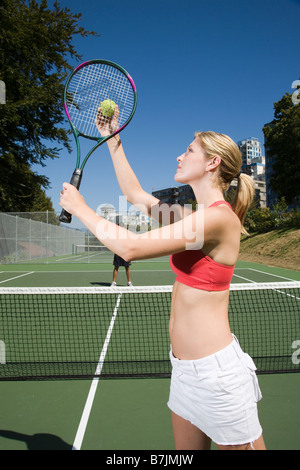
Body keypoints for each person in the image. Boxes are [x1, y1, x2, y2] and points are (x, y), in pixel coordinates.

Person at [60, 106, 266, 450]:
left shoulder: (218, 220)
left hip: (218, 376)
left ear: (212, 162)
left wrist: (81, 208)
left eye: (188, 150)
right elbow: (135, 196)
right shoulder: (190, 216)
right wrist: (113, 141)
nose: (179, 155)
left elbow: (131, 247)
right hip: (184, 370)